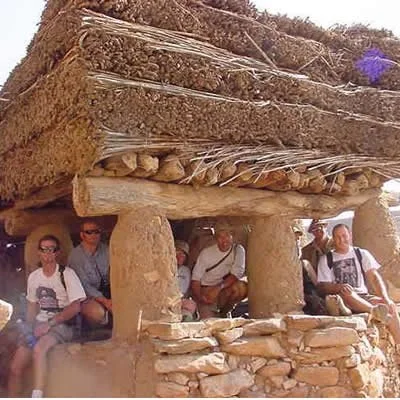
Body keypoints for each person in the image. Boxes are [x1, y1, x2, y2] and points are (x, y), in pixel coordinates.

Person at [8, 235, 86, 398]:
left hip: (63, 324)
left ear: (57, 252)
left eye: (52, 249)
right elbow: (32, 306)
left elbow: (75, 306)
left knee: (39, 349)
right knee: (15, 367)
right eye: (44, 249)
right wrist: (30, 329)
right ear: (38, 252)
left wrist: (49, 324)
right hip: (40, 324)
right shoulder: (34, 277)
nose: (48, 253)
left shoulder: (67, 274)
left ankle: (37, 395)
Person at [317, 224, 400, 345]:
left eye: (344, 236)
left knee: (390, 307)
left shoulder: (361, 254)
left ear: (350, 236)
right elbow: (323, 286)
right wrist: (338, 287)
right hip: (343, 298)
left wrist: (386, 298)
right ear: (333, 239)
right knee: (347, 292)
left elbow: (374, 278)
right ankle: (374, 311)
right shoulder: (326, 259)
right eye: (338, 237)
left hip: (363, 297)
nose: (341, 240)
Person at [191, 225, 247, 319]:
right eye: (220, 237)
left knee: (241, 288)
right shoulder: (207, 253)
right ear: (216, 239)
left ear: (232, 237)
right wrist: (201, 298)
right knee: (208, 322)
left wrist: (218, 288)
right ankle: (209, 309)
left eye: (227, 236)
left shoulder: (238, 250)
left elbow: (237, 274)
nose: (224, 240)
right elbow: (195, 279)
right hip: (207, 290)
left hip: (223, 287)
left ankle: (225, 311)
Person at [68, 219, 111, 327]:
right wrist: (105, 301)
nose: (93, 235)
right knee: (98, 313)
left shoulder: (106, 250)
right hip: (86, 296)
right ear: (82, 235)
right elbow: (84, 286)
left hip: (106, 291)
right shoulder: (76, 256)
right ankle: (94, 333)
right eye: (89, 232)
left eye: (96, 231)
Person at [175, 240, 197, 321]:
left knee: (190, 306)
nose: (180, 256)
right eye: (178, 253)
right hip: (166, 301)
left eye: (183, 255)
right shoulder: (165, 268)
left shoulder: (186, 271)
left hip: (180, 301)